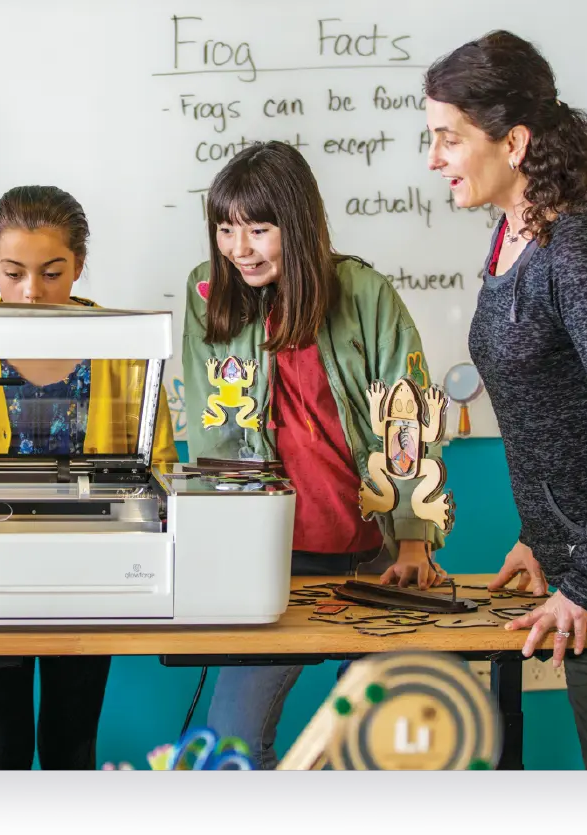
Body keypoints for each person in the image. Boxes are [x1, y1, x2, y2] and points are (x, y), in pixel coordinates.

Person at [424, 30, 587, 770]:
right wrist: (543, 537)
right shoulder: (512, 237)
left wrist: (581, 577)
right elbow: (554, 412)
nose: (434, 159)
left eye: (447, 138)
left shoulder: (585, 249)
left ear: (513, 141)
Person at [181, 141, 449, 770]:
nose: (238, 247)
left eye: (258, 228)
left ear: (296, 225)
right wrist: (227, 543)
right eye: (225, 228)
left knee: (381, 745)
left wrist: (414, 539)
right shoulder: (208, 295)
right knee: (231, 747)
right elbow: (213, 433)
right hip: (271, 561)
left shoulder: (364, 293)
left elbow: (406, 419)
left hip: (377, 554)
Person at [0, 185, 177, 770]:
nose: (31, 291)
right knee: (0, 745)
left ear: (79, 266)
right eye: (12, 273)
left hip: (94, 575)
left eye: (52, 272)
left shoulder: (123, 346)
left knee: (72, 741)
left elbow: (156, 463)